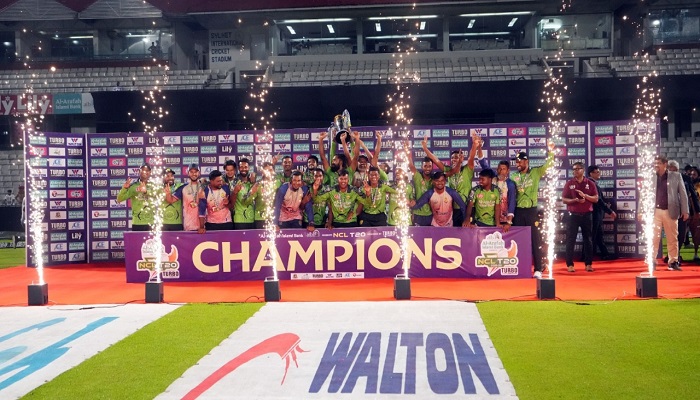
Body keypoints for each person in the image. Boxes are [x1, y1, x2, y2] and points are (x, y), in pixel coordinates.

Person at [511, 141, 555, 278]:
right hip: (518, 211)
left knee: (536, 240)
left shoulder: (535, 172)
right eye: (516, 162)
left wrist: (551, 151)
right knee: (518, 240)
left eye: (520, 161)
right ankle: (520, 268)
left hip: (531, 211)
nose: (517, 164)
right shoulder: (513, 176)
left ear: (526, 161)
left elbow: (549, 165)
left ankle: (538, 269)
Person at [650, 156, 688, 271]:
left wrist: (685, 210)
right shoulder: (650, 176)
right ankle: (652, 261)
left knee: (672, 238)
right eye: (655, 163)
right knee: (653, 238)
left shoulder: (676, 176)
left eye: (658, 163)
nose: (656, 165)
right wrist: (640, 211)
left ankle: (673, 261)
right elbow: (644, 195)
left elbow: (683, 194)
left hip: (670, 211)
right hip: (654, 211)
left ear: (665, 164)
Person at [562, 162, 598, 272]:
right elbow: (564, 199)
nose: (575, 171)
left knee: (588, 240)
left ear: (583, 170)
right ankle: (570, 264)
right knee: (570, 240)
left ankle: (588, 264)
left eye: (578, 169)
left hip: (587, 215)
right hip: (573, 216)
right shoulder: (569, 183)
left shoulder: (590, 183)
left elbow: (596, 199)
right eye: (574, 169)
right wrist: (575, 200)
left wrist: (585, 196)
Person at [668, 160, 700, 265]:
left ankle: (675, 255)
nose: (672, 172)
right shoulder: (663, 179)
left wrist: (697, 210)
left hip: (684, 212)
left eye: (674, 170)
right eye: (670, 170)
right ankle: (673, 256)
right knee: (672, 235)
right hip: (668, 211)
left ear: (677, 170)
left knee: (681, 235)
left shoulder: (685, 178)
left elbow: (693, 194)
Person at [586, 165, 617, 260]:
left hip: (596, 214)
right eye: (597, 172)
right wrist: (609, 211)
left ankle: (605, 254)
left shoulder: (593, 183)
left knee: (598, 235)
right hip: (594, 214)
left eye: (599, 172)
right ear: (591, 173)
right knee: (591, 236)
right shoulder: (591, 184)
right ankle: (586, 257)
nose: (599, 174)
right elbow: (599, 200)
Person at [243, 162, 281, 229]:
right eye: (266, 170)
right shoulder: (258, 185)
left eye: (270, 170)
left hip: (273, 218)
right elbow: (246, 202)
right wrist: (251, 193)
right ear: (263, 172)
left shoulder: (278, 183)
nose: (269, 172)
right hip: (260, 219)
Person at [117, 164, 155, 231]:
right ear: (139, 171)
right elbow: (119, 199)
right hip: (137, 223)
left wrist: (146, 191)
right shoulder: (133, 186)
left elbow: (157, 196)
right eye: (143, 170)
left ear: (150, 172)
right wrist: (124, 188)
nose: (145, 172)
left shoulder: (154, 186)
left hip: (151, 222)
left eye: (147, 170)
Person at [167, 164, 202, 231]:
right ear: (188, 173)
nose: (194, 174)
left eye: (196, 172)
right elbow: (171, 200)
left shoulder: (204, 187)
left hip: (203, 226)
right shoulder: (183, 188)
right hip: (188, 226)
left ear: (199, 173)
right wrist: (168, 193)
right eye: (191, 172)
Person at [230, 157, 256, 230]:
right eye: (241, 167)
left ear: (249, 168)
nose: (243, 169)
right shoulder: (234, 182)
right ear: (238, 168)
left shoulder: (252, 181)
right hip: (239, 219)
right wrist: (235, 192)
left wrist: (253, 183)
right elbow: (231, 203)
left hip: (251, 218)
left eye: (245, 167)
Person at [495, 160, 516, 227]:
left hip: (504, 220)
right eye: (500, 169)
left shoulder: (510, 184)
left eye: (504, 169)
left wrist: (509, 221)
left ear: (508, 171)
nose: (501, 171)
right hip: (491, 220)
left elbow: (511, 202)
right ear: (497, 170)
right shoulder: (492, 181)